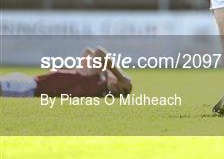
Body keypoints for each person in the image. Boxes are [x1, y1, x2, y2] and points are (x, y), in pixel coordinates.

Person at [0, 46, 132, 98]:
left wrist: (119, 76)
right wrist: (114, 75)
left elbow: (99, 52)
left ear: (116, 86)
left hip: (31, 87)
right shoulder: (93, 79)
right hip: (31, 81)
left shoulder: (96, 81)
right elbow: (88, 52)